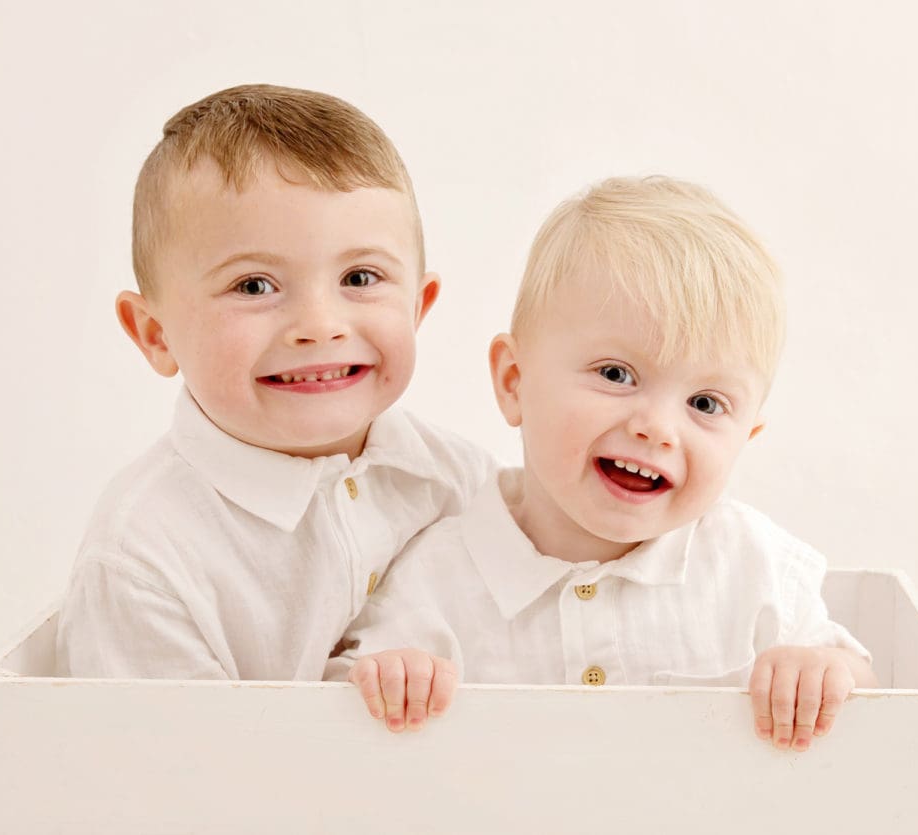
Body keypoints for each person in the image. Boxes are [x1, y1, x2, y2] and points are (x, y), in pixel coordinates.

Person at [329, 175, 877, 751]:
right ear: (515, 382)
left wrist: (822, 672)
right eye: (616, 374)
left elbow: (872, 691)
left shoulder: (749, 564)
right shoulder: (440, 572)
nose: (658, 428)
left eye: (705, 404)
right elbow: (327, 706)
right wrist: (393, 677)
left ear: (747, 435)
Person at [55, 84, 493, 680]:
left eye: (361, 277)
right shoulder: (145, 554)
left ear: (419, 306)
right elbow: (162, 766)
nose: (319, 326)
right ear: (156, 334)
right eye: (254, 286)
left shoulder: (461, 484)